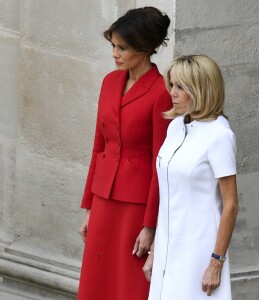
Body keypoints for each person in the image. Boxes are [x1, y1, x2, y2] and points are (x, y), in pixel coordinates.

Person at [77, 7, 172, 300]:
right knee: (98, 279)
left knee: (128, 285)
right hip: (104, 198)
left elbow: (161, 162)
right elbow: (99, 147)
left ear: (145, 48)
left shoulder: (161, 92)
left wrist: (150, 225)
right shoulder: (110, 82)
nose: (114, 54)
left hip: (136, 204)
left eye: (122, 47)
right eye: (113, 46)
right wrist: (90, 207)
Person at [144, 55, 239, 299]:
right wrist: (155, 250)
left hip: (198, 248)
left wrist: (216, 262)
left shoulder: (219, 135)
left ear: (201, 90)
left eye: (181, 87)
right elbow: (169, 190)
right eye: (172, 85)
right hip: (167, 245)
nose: (172, 93)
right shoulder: (175, 126)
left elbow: (231, 204)